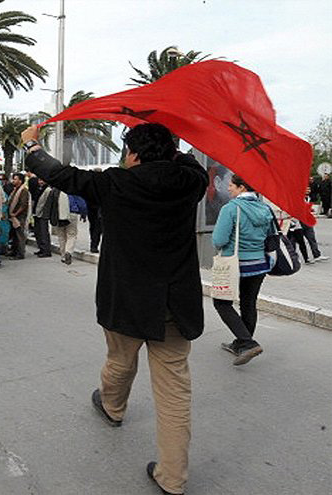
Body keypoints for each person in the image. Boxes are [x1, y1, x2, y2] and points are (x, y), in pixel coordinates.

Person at [23, 122, 208, 495]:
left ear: (134, 154)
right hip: (175, 302)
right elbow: (193, 165)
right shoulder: (191, 181)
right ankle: (172, 477)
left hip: (126, 299)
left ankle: (112, 406)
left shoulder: (114, 183)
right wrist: (171, 146)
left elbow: (58, 174)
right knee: (174, 390)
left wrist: (32, 145)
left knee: (120, 361)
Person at [212, 175, 276, 366]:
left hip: (234, 264)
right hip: (259, 265)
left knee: (221, 303)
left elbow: (219, 240)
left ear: (241, 187)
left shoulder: (231, 208)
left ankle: (248, 343)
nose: (228, 189)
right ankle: (240, 343)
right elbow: (272, 236)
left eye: (231, 185)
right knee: (249, 303)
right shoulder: (266, 208)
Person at [44, 184, 77, 265]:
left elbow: (48, 205)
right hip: (72, 214)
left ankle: (63, 255)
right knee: (71, 235)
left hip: (58, 215)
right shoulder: (73, 189)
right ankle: (68, 252)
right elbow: (80, 202)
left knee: (61, 236)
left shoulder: (54, 191)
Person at [7, 172, 30, 259]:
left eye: (15, 179)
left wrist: (15, 214)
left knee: (19, 235)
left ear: (20, 181)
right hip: (13, 216)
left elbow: (23, 205)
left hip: (19, 216)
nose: (13, 181)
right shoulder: (15, 189)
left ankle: (20, 254)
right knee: (14, 235)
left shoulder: (23, 191)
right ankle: (13, 251)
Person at [32, 178, 52, 258]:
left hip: (43, 214)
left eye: (42, 180)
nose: (40, 182)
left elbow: (46, 204)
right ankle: (41, 248)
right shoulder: (39, 189)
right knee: (38, 232)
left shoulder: (47, 190)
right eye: (39, 180)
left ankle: (46, 250)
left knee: (43, 232)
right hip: (37, 213)